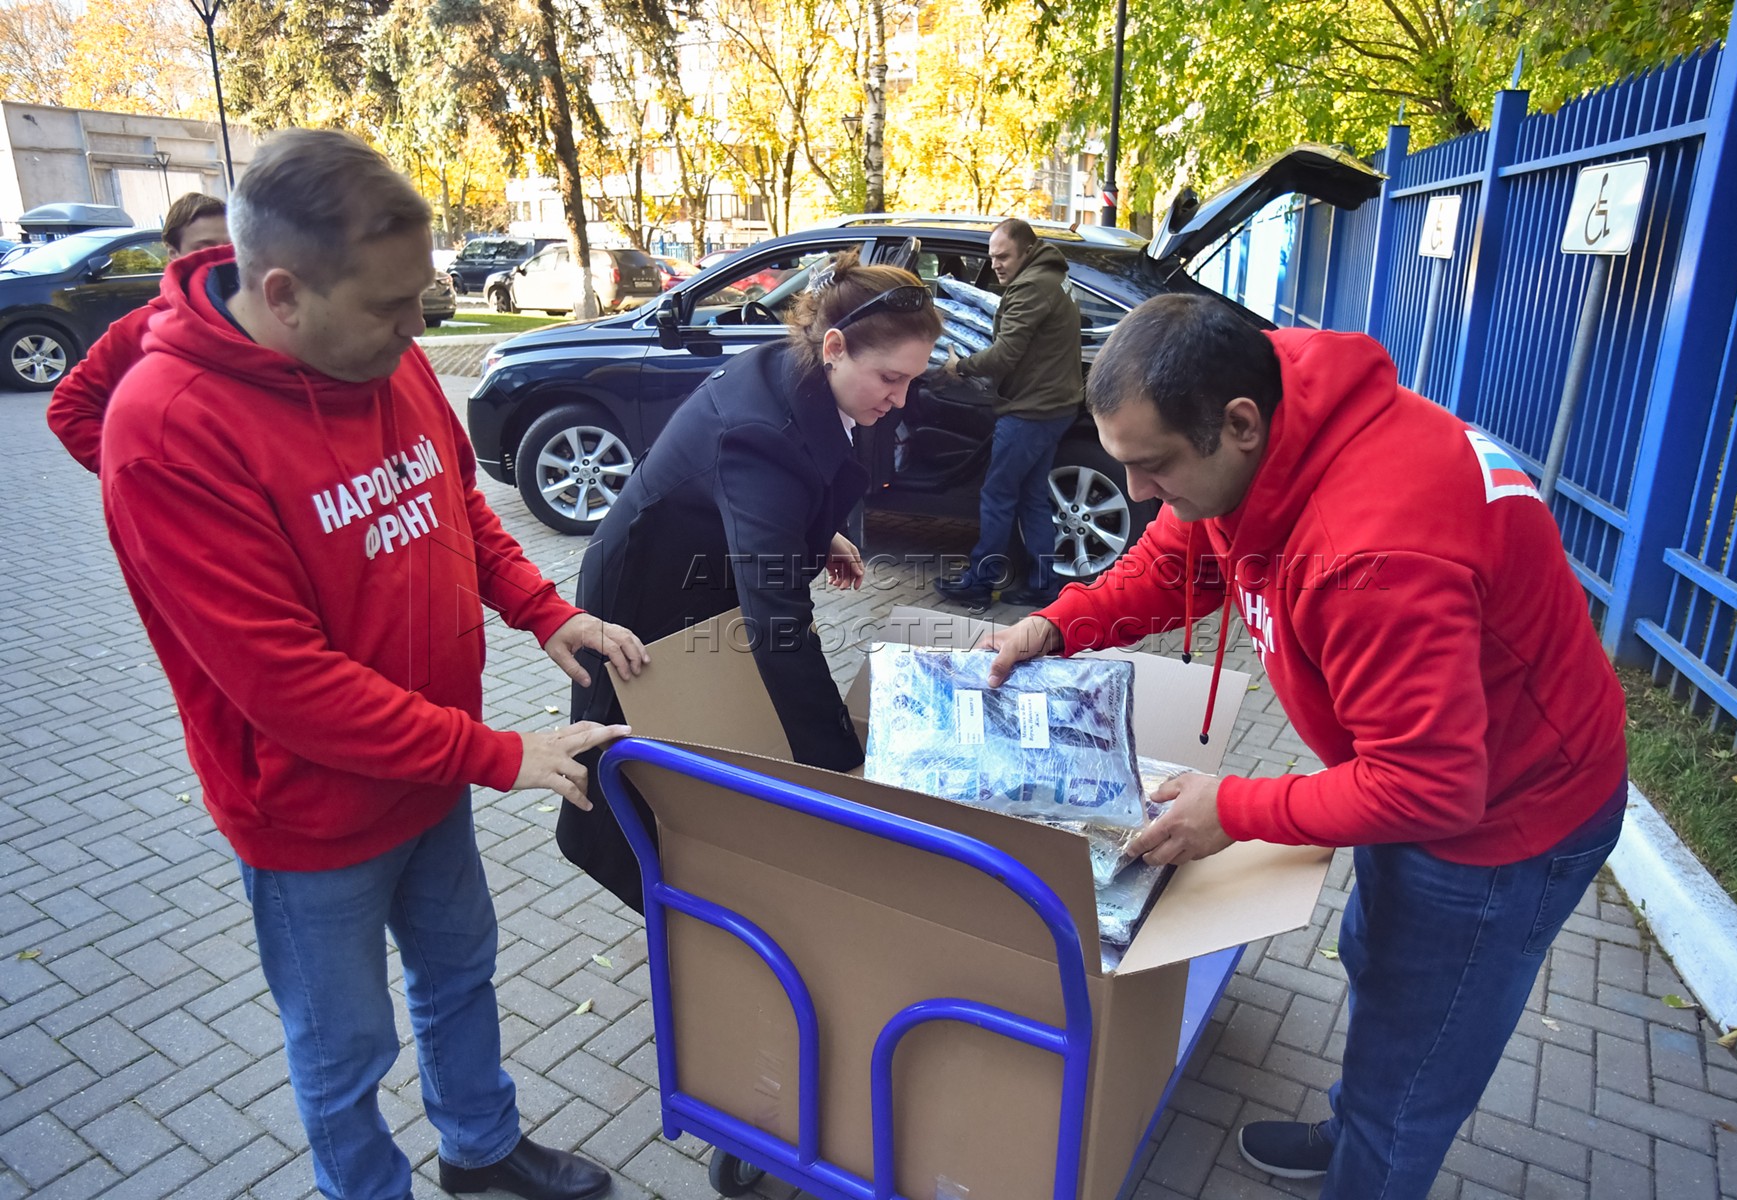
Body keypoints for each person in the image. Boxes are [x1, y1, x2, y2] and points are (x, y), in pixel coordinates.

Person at [100, 129, 649, 1200]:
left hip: (430, 775)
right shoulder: (169, 429)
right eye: (391, 307)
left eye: (422, 298)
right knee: (344, 1047)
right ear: (284, 291)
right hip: (311, 817)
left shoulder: (385, 365)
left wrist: (545, 613)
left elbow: (454, 509)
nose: (419, 330)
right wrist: (498, 752)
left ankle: (481, 1153)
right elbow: (286, 685)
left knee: (460, 977)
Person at [982, 294, 1628, 1200]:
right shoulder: (1260, 409)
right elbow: (1176, 559)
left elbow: (1431, 787)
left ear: (1238, 426)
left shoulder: (1378, 553)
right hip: (1431, 773)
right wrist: (1054, 626)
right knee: (1380, 959)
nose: (1133, 494)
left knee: (1418, 1059)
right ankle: (1352, 1122)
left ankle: (1372, 1153)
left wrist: (1234, 811)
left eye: (1154, 465)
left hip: (1510, 822)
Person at [558, 250, 942, 913]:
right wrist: (837, 762)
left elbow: (788, 485)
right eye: (890, 378)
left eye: (912, 380)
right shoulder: (760, 429)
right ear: (834, 347)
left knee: (698, 739)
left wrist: (820, 533)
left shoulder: (801, 376)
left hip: (706, 568)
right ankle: (660, 907)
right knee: (618, 753)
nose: (900, 398)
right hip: (642, 590)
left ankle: (696, 889)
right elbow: (779, 624)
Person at [933, 217, 1084, 609]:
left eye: (1004, 256)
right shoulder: (1051, 278)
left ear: (1027, 251)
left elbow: (1004, 354)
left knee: (998, 495)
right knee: (1032, 497)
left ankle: (981, 583)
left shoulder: (1032, 286)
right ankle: (1042, 584)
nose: (996, 264)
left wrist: (959, 368)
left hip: (1031, 411)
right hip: (1054, 405)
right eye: (992, 257)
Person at [46, 192, 232, 472]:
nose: (218, 258)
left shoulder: (265, 323)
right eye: (204, 248)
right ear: (173, 253)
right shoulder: (136, 329)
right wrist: (127, 465)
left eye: (229, 247)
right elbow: (68, 407)